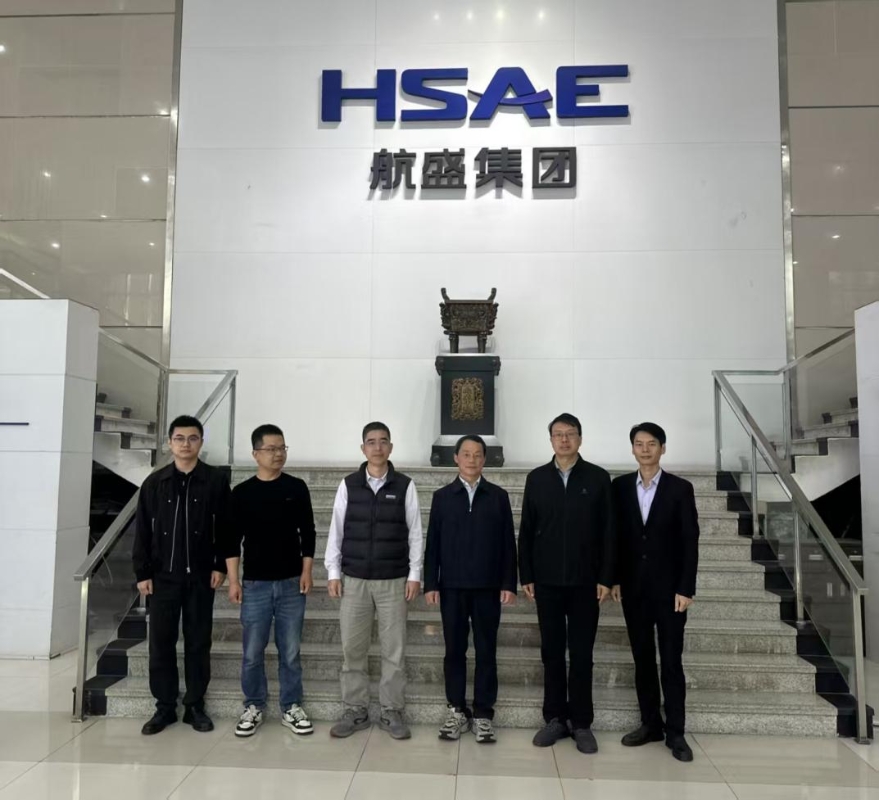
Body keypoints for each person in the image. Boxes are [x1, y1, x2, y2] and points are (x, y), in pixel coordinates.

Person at [518, 413, 614, 754]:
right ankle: (555, 718)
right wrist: (527, 574)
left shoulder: (598, 478)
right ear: (551, 440)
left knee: (582, 653)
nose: (563, 440)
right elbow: (526, 530)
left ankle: (582, 722)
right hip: (546, 582)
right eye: (558, 434)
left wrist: (606, 577)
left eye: (570, 434)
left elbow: (609, 532)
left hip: (586, 583)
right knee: (552, 652)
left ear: (580, 439)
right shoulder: (537, 478)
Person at [132, 415, 231, 735]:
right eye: (179, 438)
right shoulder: (155, 483)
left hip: (201, 577)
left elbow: (225, 528)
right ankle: (164, 707)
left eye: (192, 438)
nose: (185, 444)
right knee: (161, 643)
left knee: (198, 642)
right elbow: (142, 530)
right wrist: (142, 572)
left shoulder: (215, 481)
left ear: (201, 442)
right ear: (169, 443)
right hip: (163, 577)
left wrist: (219, 565)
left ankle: (194, 706)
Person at [324, 422, 423, 740]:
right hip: (354, 580)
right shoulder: (348, 485)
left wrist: (415, 574)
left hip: (393, 581)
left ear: (390, 447)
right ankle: (355, 709)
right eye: (371, 442)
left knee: (394, 650)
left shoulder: (405, 485)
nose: (377, 447)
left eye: (383, 441)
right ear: (363, 448)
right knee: (352, 648)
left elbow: (415, 532)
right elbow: (336, 529)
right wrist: (333, 571)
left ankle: (392, 710)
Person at [612, 422, 700, 763]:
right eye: (639, 443)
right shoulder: (620, 487)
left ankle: (676, 732)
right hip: (634, 589)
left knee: (671, 661)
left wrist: (686, 587)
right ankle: (650, 724)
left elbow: (689, 540)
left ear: (663, 448)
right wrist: (615, 578)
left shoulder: (680, 488)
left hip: (670, 592)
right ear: (632, 449)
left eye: (652, 444)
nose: (645, 449)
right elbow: (615, 536)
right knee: (643, 659)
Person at [424, 435, 517, 744]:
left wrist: (508, 583)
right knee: (454, 650)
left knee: (486, 650)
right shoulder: (442, 497)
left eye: (478, 454)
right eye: (466, 454)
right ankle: (456, 710)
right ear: (456, 458)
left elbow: (508, 544)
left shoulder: (498, 496)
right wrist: (431, 583)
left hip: (488, 588)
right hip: (451, 588)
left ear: (484, 459)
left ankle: (483, 714)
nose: (472, 459)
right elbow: (433, 543)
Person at [225, 424, 316, 738]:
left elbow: (308, 533)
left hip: (291, 583)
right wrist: (233, 581)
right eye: (271, 449)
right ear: (256, 454)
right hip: (255, 585)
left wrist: (307, 571)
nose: (278, 454)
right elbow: (231, 541)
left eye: (282, 448)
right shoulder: (242, 493)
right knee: (252, 652)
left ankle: (291, 705)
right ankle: (253, 705)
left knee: (290, 651)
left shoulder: (296, 488)